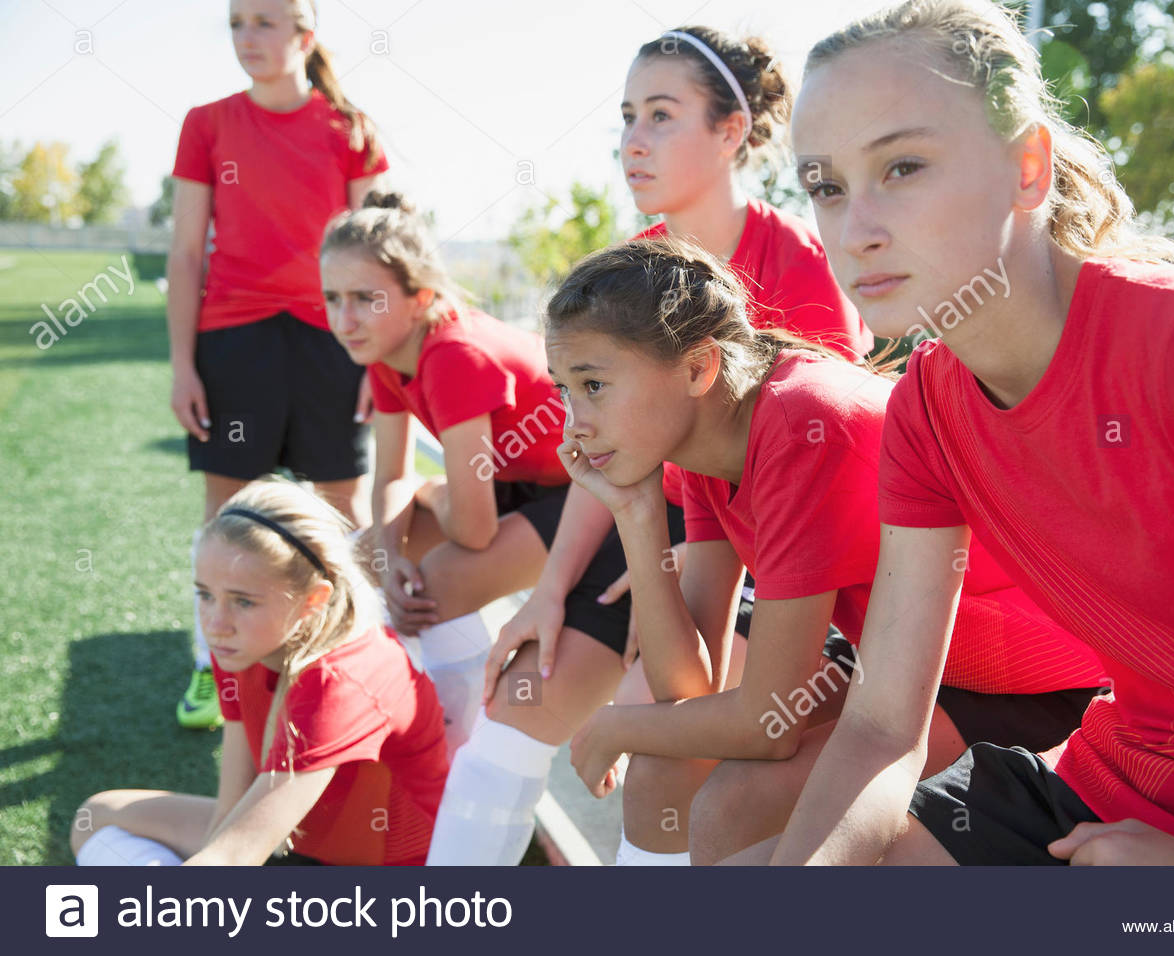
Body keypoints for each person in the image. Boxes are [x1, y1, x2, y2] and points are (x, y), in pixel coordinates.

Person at [768, 0, 1174, 866]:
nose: (855, 230)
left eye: (902, 166)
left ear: (1028, 168)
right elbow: (877, 726)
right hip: (1108, 788)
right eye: (826, 186)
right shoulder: (926, 412)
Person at [439, 24, 874, 867]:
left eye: (661, 116)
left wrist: (647, 668)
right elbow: (603, 455)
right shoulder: (630, 270)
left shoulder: (799, 276)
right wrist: (549, 591)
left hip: (774, 545)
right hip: (668, 506)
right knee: (510, 722)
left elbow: (814, 472)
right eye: (628, 118)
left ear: (731, 133)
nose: (633, 142)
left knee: (665, 764)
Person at [549, 237, 1109, 866]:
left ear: (698, 368)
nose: (575, 422)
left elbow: (766, 724)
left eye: (594, 385)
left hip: (1029, 681)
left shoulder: (799, 423)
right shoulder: (706, 445)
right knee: (664, 771)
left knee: (731, 802)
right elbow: (689, 683)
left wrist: (611, 725)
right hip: (903, 660)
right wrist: (637, 512)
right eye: (565, 390)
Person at [168, 0, 387, 730]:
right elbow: (186, 250)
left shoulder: (350, 129)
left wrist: (372, 361)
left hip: (333, 339)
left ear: (305, 33)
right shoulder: (207, 123)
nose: (247, 38)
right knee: (229, 514)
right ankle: (212, 674)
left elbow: (375, 256)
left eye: (264, 21)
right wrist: (182, 365)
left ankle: (362, 664)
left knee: (345, 509)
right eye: (236, 23)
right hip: (233, 340)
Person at [320, 191, 580, 759]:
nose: (345, 320)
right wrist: (389, 559)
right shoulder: (388, 354)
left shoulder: (452, 356)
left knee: (432, 591)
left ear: (421, 298)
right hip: (519, 479)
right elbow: (390, 476)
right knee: (362, 562)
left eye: (366, 299)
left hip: (593, 491)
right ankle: (374, 722)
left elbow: (474, 530)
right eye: (333, 298)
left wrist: (432, 493)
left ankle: (450, 752)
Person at [71, 479, 448, 866]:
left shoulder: (341, 683)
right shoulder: (239, 644)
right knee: (95, 818)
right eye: (205, 594)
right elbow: (228, 814)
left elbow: (234, 857)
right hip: (296, 847)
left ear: (313, 599)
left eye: (243, 601)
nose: (215, 623)